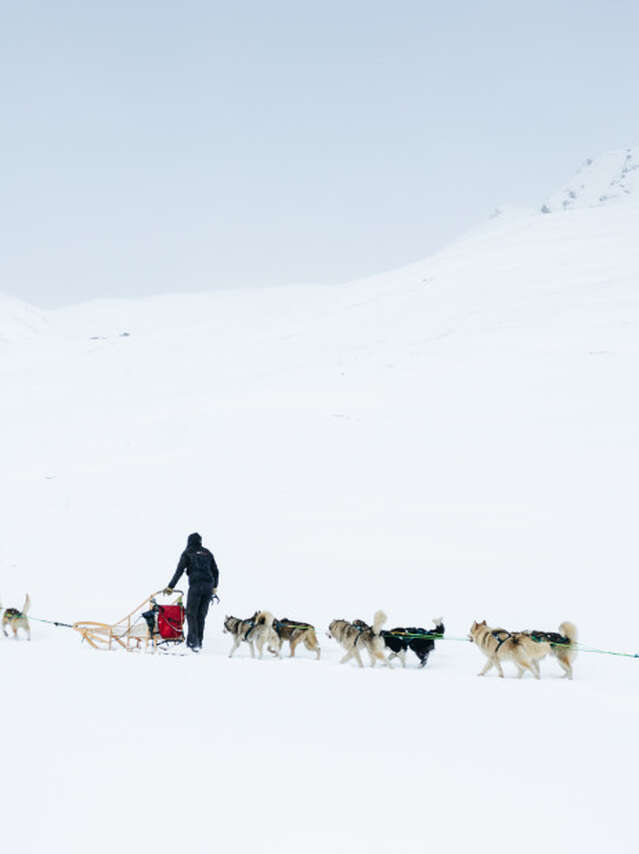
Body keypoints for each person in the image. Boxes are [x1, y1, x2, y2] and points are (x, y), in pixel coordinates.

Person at [164, 532, 219, 652]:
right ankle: (199, 642)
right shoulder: (207, 553)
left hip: (196, 586)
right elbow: (216, 571)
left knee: (191, 613)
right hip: (208, 587)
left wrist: (170, 587)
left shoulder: (187, 552)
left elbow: (179, 570)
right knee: (201, 615)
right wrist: (215, 587)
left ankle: (193, 643)